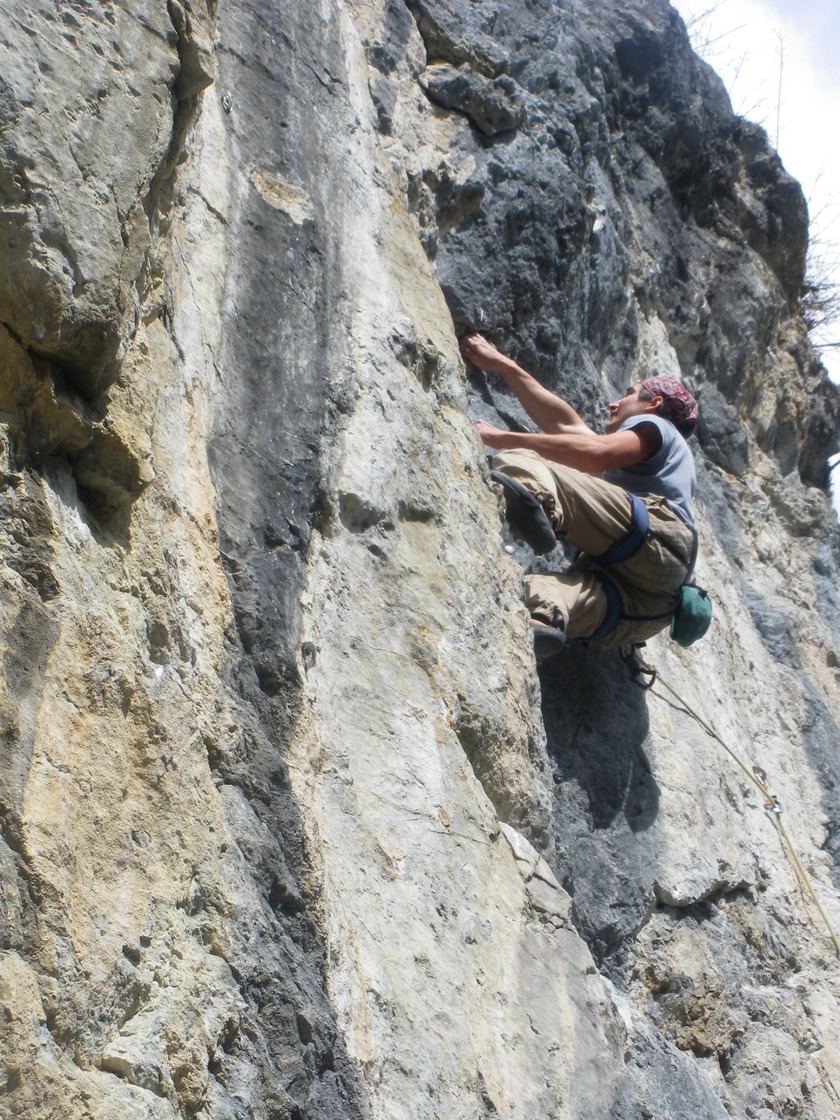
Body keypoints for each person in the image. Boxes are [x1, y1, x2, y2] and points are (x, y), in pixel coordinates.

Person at [460, 332, 700, 656]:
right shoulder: (651, 467)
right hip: (646, 608)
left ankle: (538, 503)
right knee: (534, 592)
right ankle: (545, 619)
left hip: (654, 538)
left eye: (628, 394)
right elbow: (565, 427)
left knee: (523, 460)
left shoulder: (658, 427)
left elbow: (594, 453)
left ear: (653, 403)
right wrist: (505, 366)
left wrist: (501, 438)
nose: (613, 403)